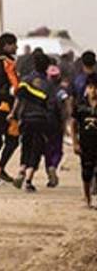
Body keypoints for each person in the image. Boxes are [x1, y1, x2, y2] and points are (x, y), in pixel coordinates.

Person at [11, 52, 58, 192]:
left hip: (26, 118)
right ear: (47, 67)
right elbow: (51, 106)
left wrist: (13, 114)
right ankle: (28, 181)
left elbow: (18, 99)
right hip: (41, 120)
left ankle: (21, 171)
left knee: (26, 146)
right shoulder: (49, 84)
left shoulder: (25, 80)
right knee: (36, 149)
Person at [0, 33, 19, 184]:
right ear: (6, 46)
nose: (16, 47)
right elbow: (11, 84)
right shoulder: (5, 62)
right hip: (5, 105)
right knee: (11, 140)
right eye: (14, 44)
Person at [71, 74, 97, 208]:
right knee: (86, 173)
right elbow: (74, 124)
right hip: (86, 144)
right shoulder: (80, 105)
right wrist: (75, 142)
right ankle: (87, 199)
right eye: (91, 87)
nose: (94, 91)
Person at [43, 64, 70, 188]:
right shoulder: (61, 90)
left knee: (47, 149)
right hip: (57, 122)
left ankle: (49, 172)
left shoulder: (43, 89)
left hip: (45, 121)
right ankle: (54, 165)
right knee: (57, 148)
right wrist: (66, 121)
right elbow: (66, 106)